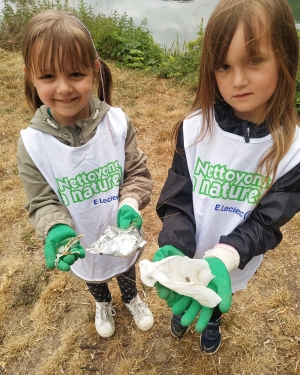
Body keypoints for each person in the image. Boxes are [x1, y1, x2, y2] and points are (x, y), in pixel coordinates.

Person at [153, 0, 300, 354]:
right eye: (224, 65)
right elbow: (178, 196)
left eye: (254, 60)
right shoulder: (194, 129)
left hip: (236, 257)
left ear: (285, 56)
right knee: (190, 290)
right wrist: (173, 243)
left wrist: (227, 255)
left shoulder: (294, 150)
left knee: (220, 292)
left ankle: (214, 320)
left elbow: (267, 222)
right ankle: (185, 309)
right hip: (191, 249)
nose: (238, 80)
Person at [17, 10, 154, 339]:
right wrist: (56, 228)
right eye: (48, 77)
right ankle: (102, 301)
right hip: (82, 237)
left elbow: (136, 172)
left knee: (125, 267)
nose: (63, 88)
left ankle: (132, 296)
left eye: (75, 73)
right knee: (94, 274)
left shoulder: (118, 124)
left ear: (94, 70)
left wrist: (131, 203)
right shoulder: (32, 144)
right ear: (30, 76)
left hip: (118, 226)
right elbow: (42, 200)